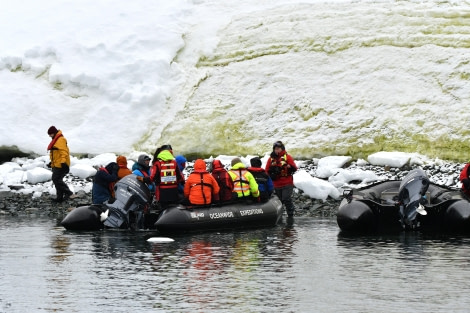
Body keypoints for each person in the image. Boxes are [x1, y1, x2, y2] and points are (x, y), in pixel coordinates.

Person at [265, 141, 298, 217]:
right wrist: (272, 172)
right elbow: (266, 171)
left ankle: (290, 213)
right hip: (276, 183)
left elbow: (294, 168)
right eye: (275, 149)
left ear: (282, 149)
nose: (277, 150)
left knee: (286, 198)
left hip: (287, 182)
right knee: (279, 201)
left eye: (278, 149)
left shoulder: (287, 157)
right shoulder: (270, 159)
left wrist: (289, 167)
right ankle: (280, 215)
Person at [46, 126, 76, 202]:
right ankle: (59, 198)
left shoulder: (60, 140)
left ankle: (69, 193)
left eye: (50, 134)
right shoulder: (56, 139)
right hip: (56, 163)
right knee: (57, 180)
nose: (49, 136)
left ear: (54, 133)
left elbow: (64, 152)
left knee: (56, 179)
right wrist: (51, 162)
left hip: (61, 164)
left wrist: (63, 162)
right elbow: (56, 154)